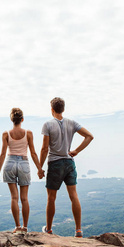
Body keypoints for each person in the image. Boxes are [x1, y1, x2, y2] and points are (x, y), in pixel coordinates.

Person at [39, 97, 94, 238]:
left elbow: (45, 148)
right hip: (69, 163)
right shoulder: (72, 123)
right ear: (63, 109)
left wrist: (40, 167)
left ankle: (49, 230)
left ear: (52, 109)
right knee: (74, 195)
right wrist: (76, 151)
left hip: (55, 164)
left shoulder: (47, 125)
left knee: (51, 198)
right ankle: (78, 230)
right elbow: (89, 136)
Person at [0, 108, 44, 234]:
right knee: (24, 198)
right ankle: (25, 227)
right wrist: (39, 168)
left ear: (11, 119)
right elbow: (33, 152)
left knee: (14, 198)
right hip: (24, 163)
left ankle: (17, 226)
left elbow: (2, 154)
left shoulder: (6, 134)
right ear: (22, 119)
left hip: (9, 163)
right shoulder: (28, 133)